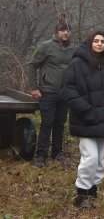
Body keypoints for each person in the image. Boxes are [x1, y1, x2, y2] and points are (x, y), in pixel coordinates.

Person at [61, 31, 104, 208]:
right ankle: (81, 193)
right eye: (96, 41)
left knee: (100, 159)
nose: (99, 44)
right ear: (89, 43)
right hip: (85, 120)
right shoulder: (77, 64)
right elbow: (68, 90)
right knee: (90, 157)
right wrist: (86, 110)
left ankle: (92, 192)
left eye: (103, 41)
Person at [27, 19, 76, 167]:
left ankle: (57, 153)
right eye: (62, 30)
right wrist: (34, 87)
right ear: (57, 32)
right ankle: (41, 156)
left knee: (60, 124)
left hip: (65, 92)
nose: (65, 32)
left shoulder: (74, 49)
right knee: (47, 123)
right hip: (47, 91)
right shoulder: (45, 46)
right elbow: (32, 65)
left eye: (68, 30)